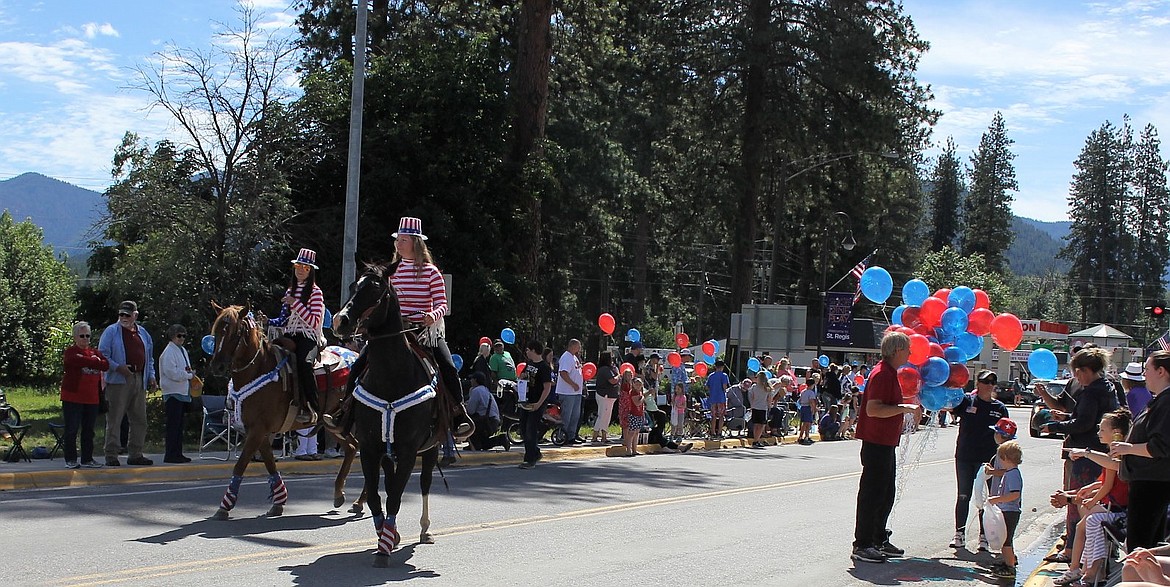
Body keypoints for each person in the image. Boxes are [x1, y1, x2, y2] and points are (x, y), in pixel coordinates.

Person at [385, 218, 474, 440]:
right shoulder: (391, 272)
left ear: (415, 243)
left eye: (403, 240)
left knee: (448, 367)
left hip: (425, 332)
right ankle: (346, 409)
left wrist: (431, 315)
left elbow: (442, 304)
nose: (398, 244)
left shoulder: (431, 272)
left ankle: (458, 414)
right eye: (397, 240)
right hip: (396, 330)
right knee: (363, 360)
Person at [851, 331, 923, 564]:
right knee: (872, 495)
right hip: (876, 442)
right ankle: (862, 544)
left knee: (885, 494)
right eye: (907, 349)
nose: (910, 353)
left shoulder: (890, 373)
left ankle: (878, 538)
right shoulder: (882, 374)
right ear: (897, 350)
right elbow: (873, 409)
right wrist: (905, 408)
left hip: (886, 442)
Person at [1043, 347, 1115, 561]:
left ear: (1086, 370)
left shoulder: (1092, 391)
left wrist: (1054, 426)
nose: (1076, 376)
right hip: (1102, 453)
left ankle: (1072, 551)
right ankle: (1093, 551)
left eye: (1077, 371)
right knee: (1097, 503)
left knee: (1077, 500)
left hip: (1086, 455)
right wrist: (1066, 417)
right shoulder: (1109, 387)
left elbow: (1083, 423)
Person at [1054, 409, 1131, 587]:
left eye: (1102, 430)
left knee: (1086, 521)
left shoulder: (1117, 454)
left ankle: (1085, 570)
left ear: (1116, 433)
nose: (1098, 433)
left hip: (1117, 507)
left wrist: (1091, 499)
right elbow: (1104, 481)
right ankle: (1086, 569)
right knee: (1085, 522)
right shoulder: (1114, 453)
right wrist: (1086, 490)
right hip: (1115, 505)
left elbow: (1108, 485)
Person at [1109, 350, 1170, 552]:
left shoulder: (1166, 401)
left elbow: (1158, 447)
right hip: (1147, 482)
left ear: (1161, 371)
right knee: (1148, 545)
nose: (1144, 375)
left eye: (1147, 369)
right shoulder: (1159, 399)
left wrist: (1127, 448)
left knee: (1140, 547)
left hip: (1152, 483)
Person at [949, 370, 1009, 551]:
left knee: (985, 498)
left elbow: (1006, 435)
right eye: (985, 381)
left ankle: (984, 535)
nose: (989, 385)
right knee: (963, 495)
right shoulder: (967, 401)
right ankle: (959, 533)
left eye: (993, 382)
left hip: (988, 460)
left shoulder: (999, 408)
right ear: (978, 383)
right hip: (965, 456)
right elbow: (949, 406)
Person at [269, 248, 325, 424]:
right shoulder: (289, 291)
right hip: (289, 334)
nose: (300, 270)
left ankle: (312, 407)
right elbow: (283, 320)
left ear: (311, 271)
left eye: (305, 268)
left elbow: (314, 321)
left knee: (304, 363)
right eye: (298, 266)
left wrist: (296, 304)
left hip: (307, 336)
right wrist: (268, 321)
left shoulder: (316, 293)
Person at [98, 300, 156, 467]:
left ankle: (136, 453)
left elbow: (149, 357)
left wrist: (151, 376)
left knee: (140, 419)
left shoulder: (143, 333)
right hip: (118, 380)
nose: (124, 317)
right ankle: (111, 454)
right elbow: (103, 356)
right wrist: (118, 367)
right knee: (115, 419)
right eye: (121, 314)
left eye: (127, 315)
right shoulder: (111, 332)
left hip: (139, 377)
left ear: (135, 315)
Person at [60, 321, 109, 469]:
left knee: (89, 430)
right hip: (72, 397)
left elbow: (105, 364)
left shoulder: (95, 352)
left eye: (88, 336)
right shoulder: (71, 351)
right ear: (75, 337)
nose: (85, 339)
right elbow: (74, 360)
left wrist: (93, 361)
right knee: (72, 429)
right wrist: (94, 362)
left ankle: (87, 459)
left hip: (92, 398)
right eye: (82, 336)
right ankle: (70, 459)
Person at [987, 440, 1024, 579]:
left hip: (1010, 512)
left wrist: (997, 499)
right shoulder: (1009, 472)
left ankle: (1010, 567)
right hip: (1006, 511)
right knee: (1004, 539)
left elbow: (1015, 494)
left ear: (1005, 458)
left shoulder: (1013, 474)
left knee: (1006, 541)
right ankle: (1007, 562)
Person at [158, 324, 194, 464]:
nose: (182, 338)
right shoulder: (168, 352)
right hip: (173, 392)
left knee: (179, 426)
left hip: (182, 391)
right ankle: (171, 454)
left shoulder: (182, 350)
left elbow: (185, 367)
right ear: (172, 336)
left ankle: (178, 452)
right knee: (173, 425)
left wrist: (189, 374)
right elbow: (171, 372)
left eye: (184, 336)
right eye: (179, 335)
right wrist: (188, 376)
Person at [517, 340, 553, 469]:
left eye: (528, 350)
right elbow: (524, 377)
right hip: (526, 400)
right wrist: (522, 377)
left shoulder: (544, 367)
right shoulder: (529, 364)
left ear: (533, 350)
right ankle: (535, 452)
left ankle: (530, 459)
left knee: (531, 430)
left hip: (537, 402)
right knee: (523, 428)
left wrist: (539, 403)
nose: (526, 352)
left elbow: (547, 387)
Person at [466, 372, 509, 451]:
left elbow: (470, 410)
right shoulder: (485, 390)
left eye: (472, 379)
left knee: (467, 423)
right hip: (493, 421)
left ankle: (475, 444)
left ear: (475, 380)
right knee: (484, 444)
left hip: (486, 422)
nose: (470, 381)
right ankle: (500, 439)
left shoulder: (476, 391)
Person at [556, 339, 585, 445]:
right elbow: (563, 373)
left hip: (576, 392)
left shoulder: (574, 357)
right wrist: (573, 384)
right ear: (572, 346)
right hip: (567, 392)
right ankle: (562, 436)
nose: (579, 349)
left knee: (575, 415)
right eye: (578, 346)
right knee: (566, 416)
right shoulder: (566, 357)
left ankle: (571, 436)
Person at [592, 352, 620, 444]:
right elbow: (613, 380)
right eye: (611, 357)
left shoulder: (610, 368)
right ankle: (595, 436)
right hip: (605, 395)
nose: (613, 359)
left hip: (610, 396)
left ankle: (604, 436)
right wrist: (619, 375)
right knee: (602, 416)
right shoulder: (604, 369)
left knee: (606, 417)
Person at [619, 376, 646, 456]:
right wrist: (643, 398)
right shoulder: (633, 393)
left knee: (637, 433)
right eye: (636, 384)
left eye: (639, 384)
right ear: (633, 384)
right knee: (631, 433)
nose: (638, 386)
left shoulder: (639, 393)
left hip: (639, 414)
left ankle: (634, 449)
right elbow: (637, 403)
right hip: (633, 414)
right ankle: (628, 449)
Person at [748, 371, 774, 448]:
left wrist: (752, 405)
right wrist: (769, 407)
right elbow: (769, 399)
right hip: (763, 408)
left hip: (755, 407)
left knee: (756, 425)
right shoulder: (767, 388)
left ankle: (755, 440)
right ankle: (756, 440)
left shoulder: (754, 387)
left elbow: (751, 397)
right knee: (761, 425)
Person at [706, 360, 730, 438]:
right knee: (721, 416)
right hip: (721, 398)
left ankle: (712, 432)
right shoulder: (724, 375)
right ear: (723, 367)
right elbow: (724, 387)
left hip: (713, 398)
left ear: (715, 367)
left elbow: (707, 386)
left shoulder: (711, 376)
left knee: (713, 416)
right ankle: (719, 432)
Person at [797, 373, 820, 445]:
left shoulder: (803, 392)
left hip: (803, 407)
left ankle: (802, 436)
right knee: (808, 424)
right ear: (812, 385)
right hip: (808, 408)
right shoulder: (811, 393)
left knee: (804, 423)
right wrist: (814, 409)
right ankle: (805, 437)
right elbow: (811, 402)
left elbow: (800, 400)